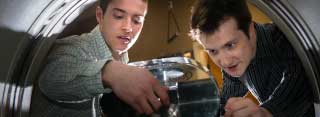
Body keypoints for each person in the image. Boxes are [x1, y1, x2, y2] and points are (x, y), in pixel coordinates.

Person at [30, 0, 169, 116]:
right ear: (100, 15)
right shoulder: (74, 47)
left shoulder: (124, 62)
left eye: (137, 20)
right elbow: (51, 80)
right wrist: (109, 72)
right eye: (119, 16)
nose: (128, 28)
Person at [190, 0, 315, 116]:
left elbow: (299, 80)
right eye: (213, 51)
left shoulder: (281, 37)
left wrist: (265, 112)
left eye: (230, 45)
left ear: (249, 30)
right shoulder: (233, 64)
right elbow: (224, 102)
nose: (225, 62)